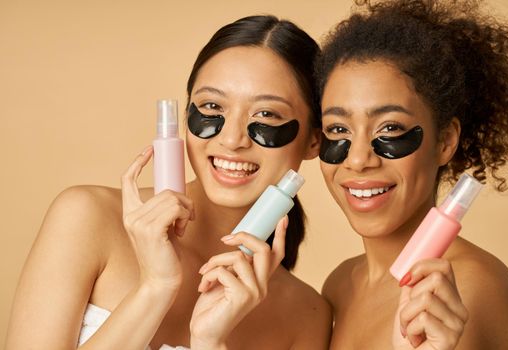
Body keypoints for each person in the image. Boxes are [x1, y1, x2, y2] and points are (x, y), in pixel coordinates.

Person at [6, 15, 331, 350]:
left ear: (313, 140)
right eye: (211, 106)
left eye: (266, 115)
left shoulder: (305, 316)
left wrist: (210, 343)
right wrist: (155, 287)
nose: (232, 139)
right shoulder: (87, 218)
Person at [316, 0, 508, 349]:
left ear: (444, 141)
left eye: (391, 129)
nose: (358, 159)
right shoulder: (340, 285)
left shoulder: (469, 290)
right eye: (338, 130)